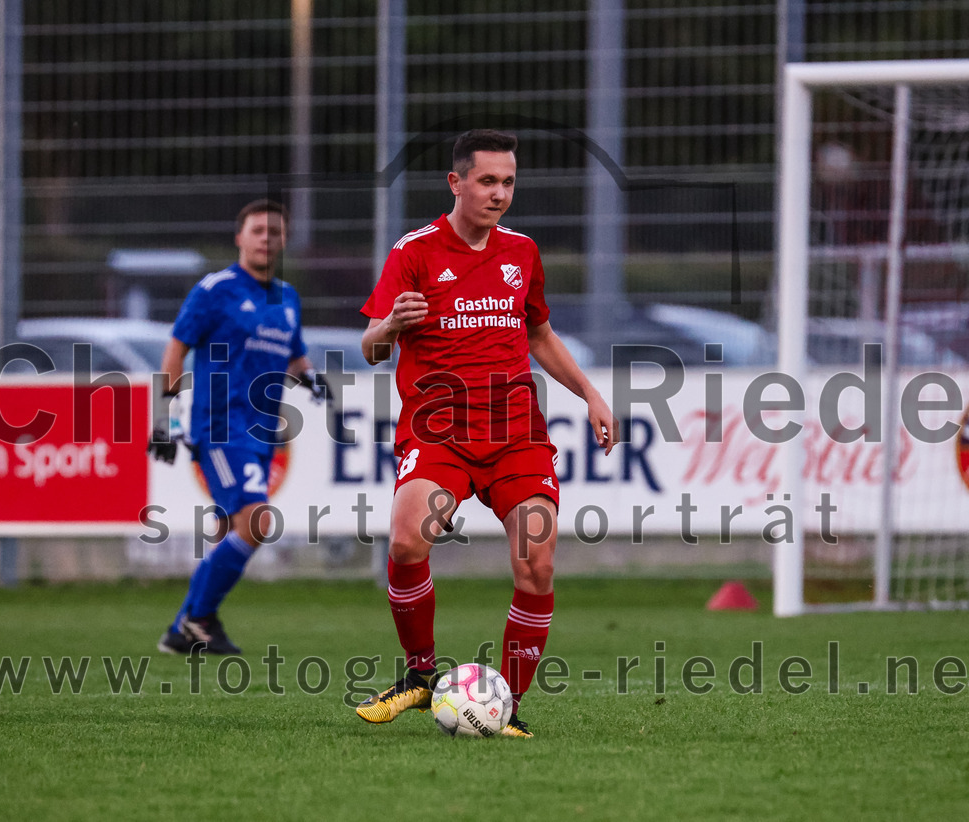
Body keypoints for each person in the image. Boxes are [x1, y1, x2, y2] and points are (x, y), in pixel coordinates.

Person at [356, 129, 620, 737]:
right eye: (487, 181)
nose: (499, 193)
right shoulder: (414, 252)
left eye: (508, 182)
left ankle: (507, 709)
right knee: (406, 540)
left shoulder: (522, 252)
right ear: (456, 182)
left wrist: (590, 393)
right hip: (439, 433)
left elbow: (539, 334)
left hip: (516, 437)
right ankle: (420, 675)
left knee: (537, 565)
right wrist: (389, 326)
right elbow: (370, 348)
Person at [150, 199, 328, 655]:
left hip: (262, 432)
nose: (266, 238)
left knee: (231, 527)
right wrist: (165, 420)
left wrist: (312, 378)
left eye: (275, 231)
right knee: (257, 521)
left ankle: (184, 630)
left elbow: (293, 354)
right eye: (257, 230)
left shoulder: (287, 297)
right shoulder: (216, 290)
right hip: (221, 427)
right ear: (240, 238)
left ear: (284, 240)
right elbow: (175, 351)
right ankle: (198, 619)